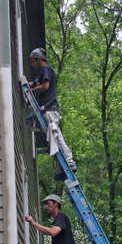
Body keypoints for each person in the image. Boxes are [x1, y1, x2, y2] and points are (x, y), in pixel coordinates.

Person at [28, 48, 77, 181]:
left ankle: (69, 161)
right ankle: (64, 165)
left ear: (38, 60)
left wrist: (30, 90)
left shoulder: (46, 69)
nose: (32, 65)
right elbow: (35, 82)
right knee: (53, 138)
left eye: (32, 62)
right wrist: (25, 85)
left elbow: (45, 86)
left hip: (49, 108)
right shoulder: (42, 73)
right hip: (48, 109)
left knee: (55, 135)